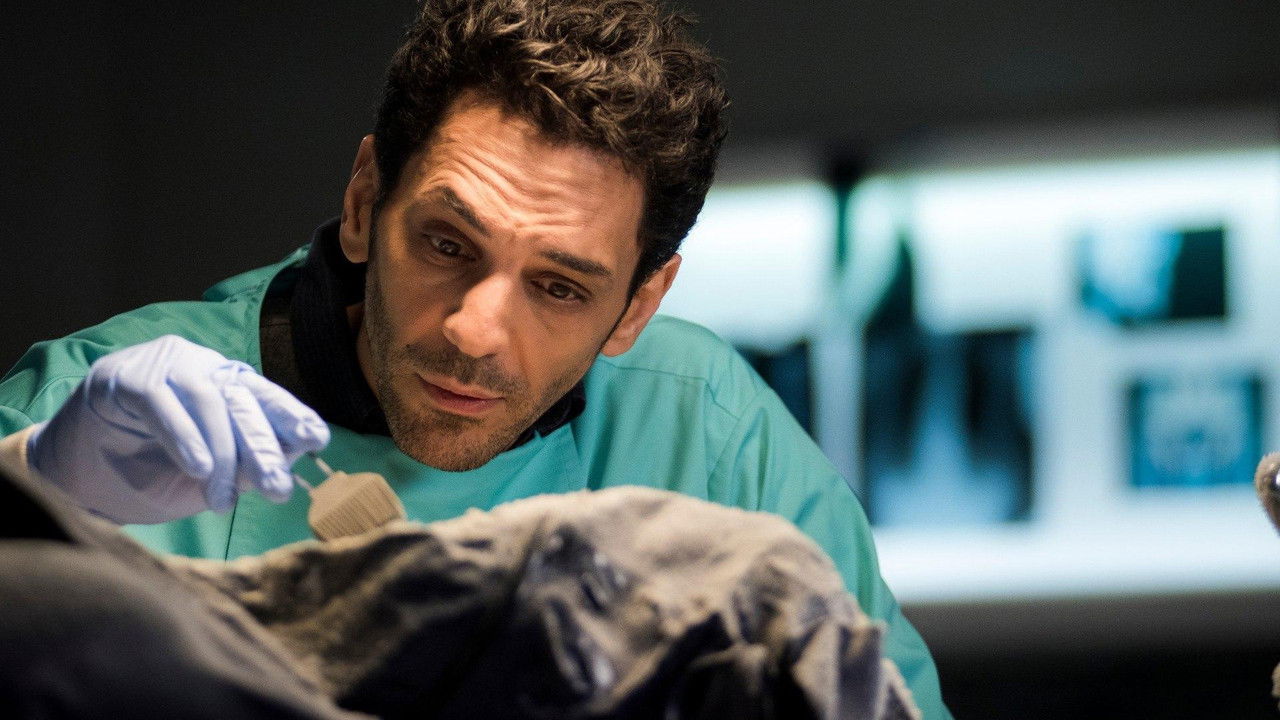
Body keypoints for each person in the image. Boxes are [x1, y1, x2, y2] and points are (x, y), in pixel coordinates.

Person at [0, 0, 951, 716]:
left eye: (560, 287)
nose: (475, 332)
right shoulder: (113, 409)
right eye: (449, 244)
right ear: (365, 203)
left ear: (637, 305)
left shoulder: (712, 436)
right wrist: (39, 487)